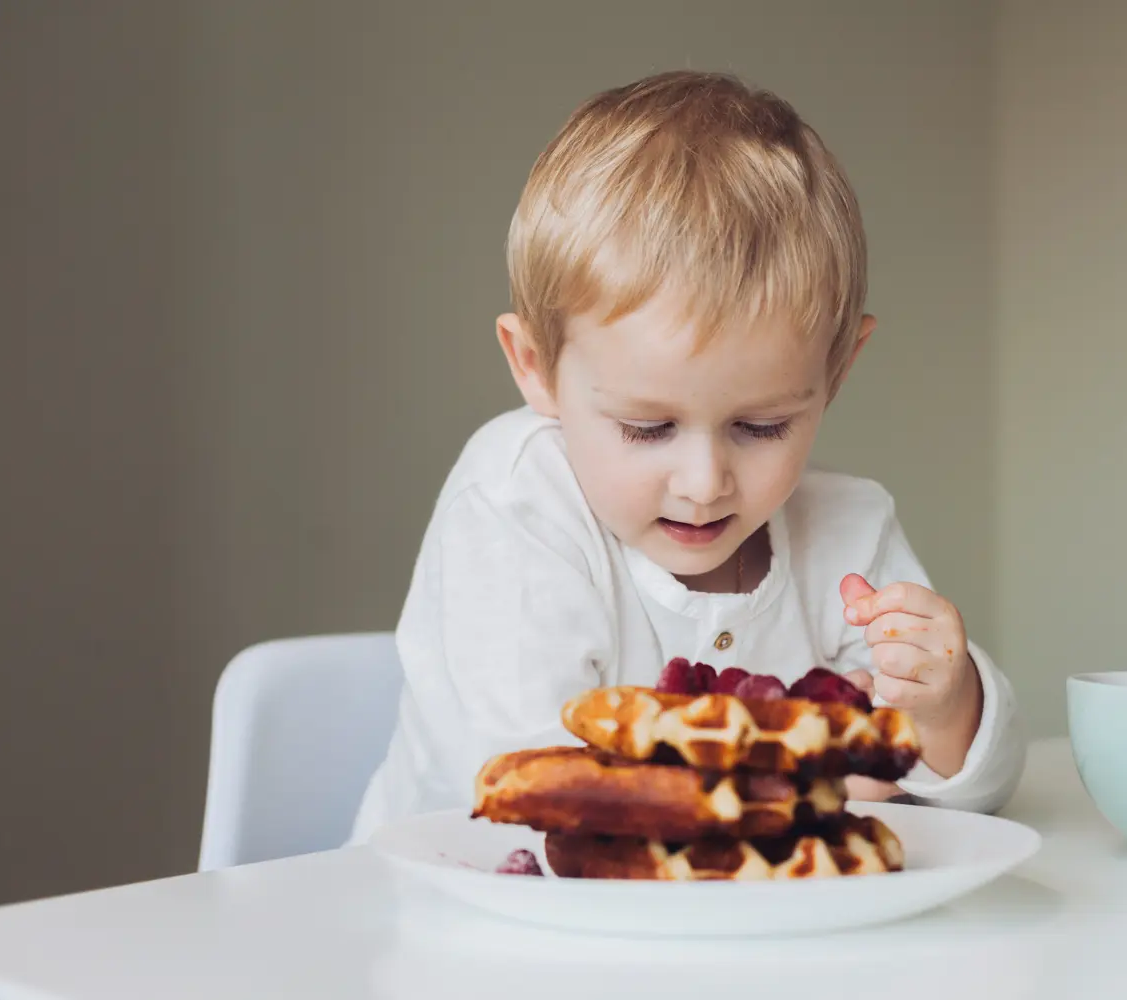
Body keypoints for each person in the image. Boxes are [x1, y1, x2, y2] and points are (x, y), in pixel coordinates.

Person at [349, 69, 1024, 843]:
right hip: (463, 932)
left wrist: (946, 708)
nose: (704, 484)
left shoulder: (850, 533)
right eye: (646, 428)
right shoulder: (516, 504)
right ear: (535, 366)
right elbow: (529, 789)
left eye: (762, 426)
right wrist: (821, 778)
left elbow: (980, 795)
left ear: (836, 371)